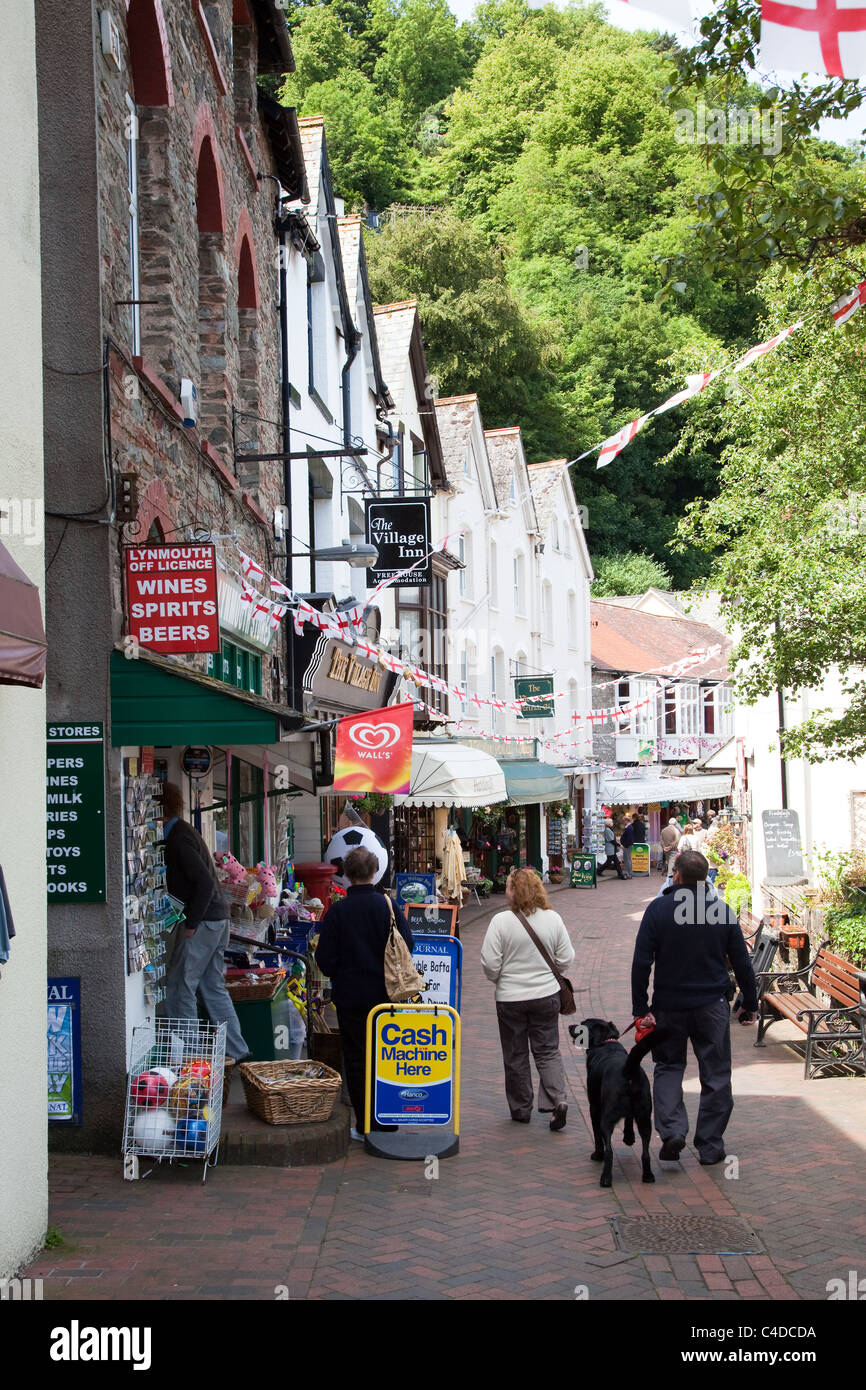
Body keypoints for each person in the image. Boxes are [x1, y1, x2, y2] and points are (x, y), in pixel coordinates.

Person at [630, 850, 758, 1166]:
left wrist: (639, 1007)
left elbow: (641, 963)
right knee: (715, 1074)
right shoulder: (722, 911)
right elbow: (742, 963)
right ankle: (711, 1145)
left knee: (669, 1067)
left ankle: (673, 1130)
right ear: (704, 878)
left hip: (669, 1005)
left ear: (677, 876)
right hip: (711, 1005)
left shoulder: (658, 910)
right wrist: (750, 1003)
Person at [315, 847, 413, 1141]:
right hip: (387, 994)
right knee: (387, 1055)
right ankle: (387, 1118)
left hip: (351, 997)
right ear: (374, 871)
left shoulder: (339, 911)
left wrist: (341, 971)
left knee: (357, 1060)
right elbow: (408, 942)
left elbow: (325, 958)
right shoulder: (387, 905)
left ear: (347, 873)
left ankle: (365, 1123)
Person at [480, 867, 574, 1130]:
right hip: (545, 995)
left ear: (514, 891)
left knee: (515, 1054)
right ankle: (558, 1099)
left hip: (510, 998)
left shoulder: (500, 921)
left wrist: (500, 979)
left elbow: (489, 964)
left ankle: (521, 1108)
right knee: (547, 1051)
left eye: (509, 886)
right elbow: (566, 959)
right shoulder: (553, 919)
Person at [162, 782, 250, 1063]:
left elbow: (202, 882)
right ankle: (238, 1053)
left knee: (180, 985)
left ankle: (190, 1060)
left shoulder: (178, 838)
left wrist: (191, 923)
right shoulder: (185, 832)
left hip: (203, 921)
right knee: (213, 987)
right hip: (217, 918)